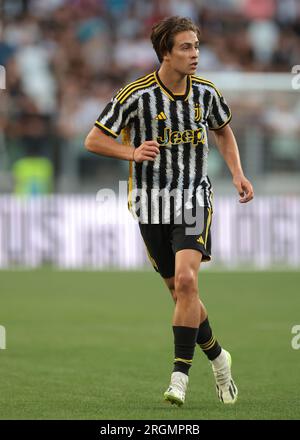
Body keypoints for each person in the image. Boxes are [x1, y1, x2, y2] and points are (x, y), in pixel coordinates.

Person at [85, 16, 254, 407]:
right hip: (150, 205)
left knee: (188, 281)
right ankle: (218, 357)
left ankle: (179, 377)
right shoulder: (135, 95)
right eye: (186, 47)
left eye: (196, 46)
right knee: (180, 292)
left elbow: (223, 131)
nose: (195, 54)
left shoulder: (207, 93)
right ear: (166, 52)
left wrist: (237, 173)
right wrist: (131, 151)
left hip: (194, 198)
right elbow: (93, 139)